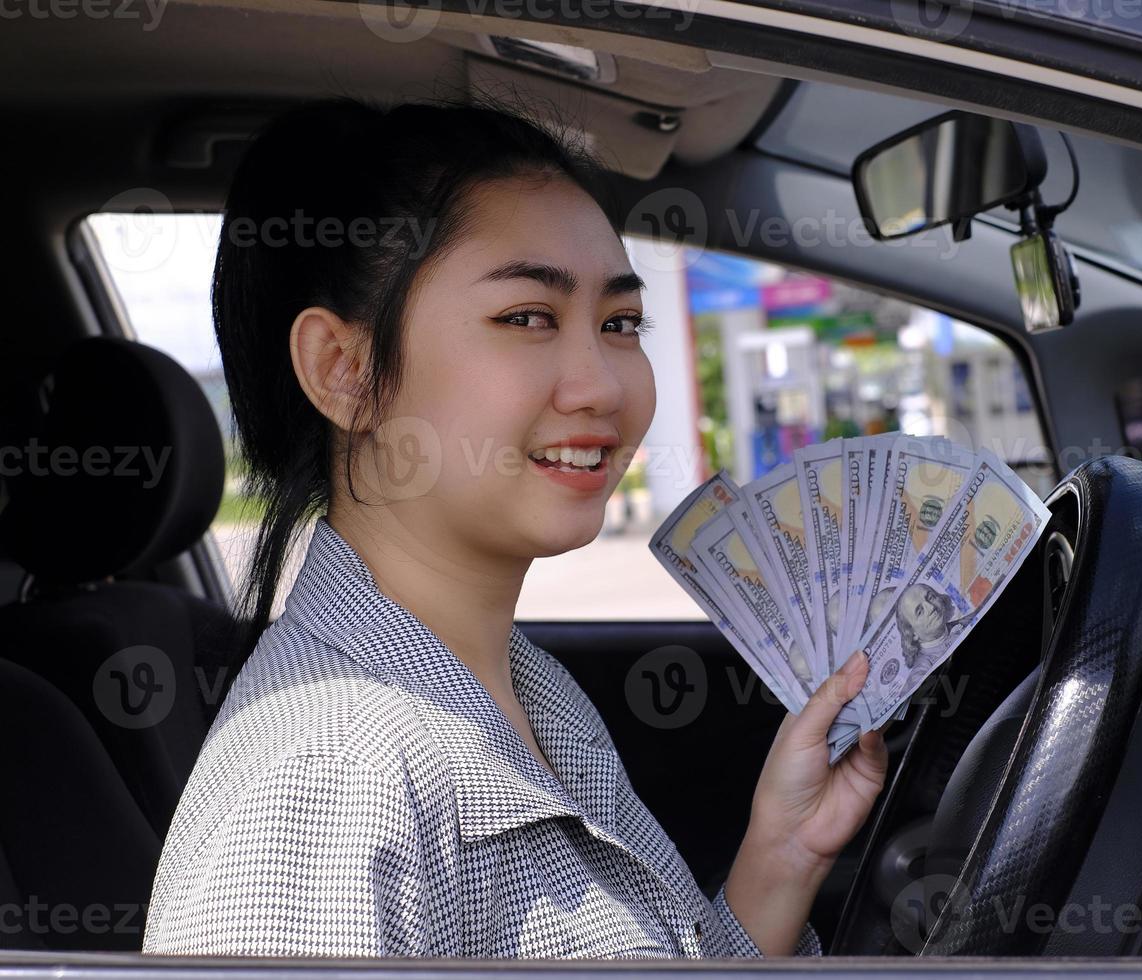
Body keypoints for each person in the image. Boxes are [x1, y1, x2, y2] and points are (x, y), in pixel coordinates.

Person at [141, 97, 887, 958]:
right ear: (343, 371)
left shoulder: (524, 691)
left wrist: (783, 860)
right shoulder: (328, 787)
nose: (603, 385)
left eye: (619, 324)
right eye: (527, 317)